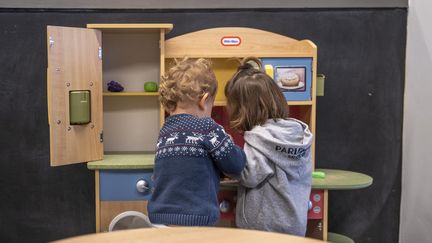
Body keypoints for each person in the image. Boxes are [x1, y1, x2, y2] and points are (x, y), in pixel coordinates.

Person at [148, 58, 246, 226]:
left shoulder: (165, 130)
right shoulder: (207, 126)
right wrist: (229, 145)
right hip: (195, 218)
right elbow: (235, 164)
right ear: (204, 100)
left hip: (159, 217)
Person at [224, 57, 313, 236]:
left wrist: (226, 154)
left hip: (262, 229)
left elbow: (249, 175)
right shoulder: (297, 133)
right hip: (294, 226)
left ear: (241, 109)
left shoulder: (259, 138)